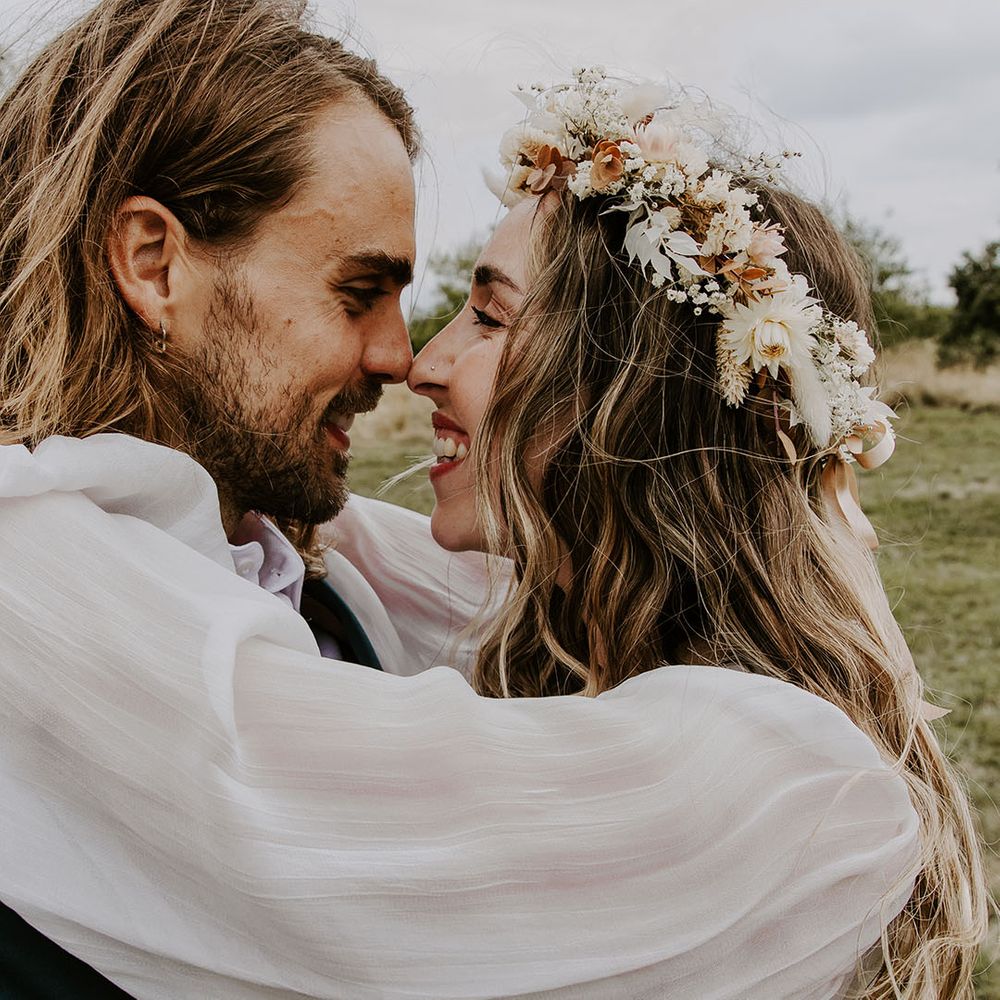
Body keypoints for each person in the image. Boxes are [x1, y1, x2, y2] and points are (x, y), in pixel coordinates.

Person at [0, 0, 982, 997]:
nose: (403, 357)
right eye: (357, 291)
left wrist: (781, 496)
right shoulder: (30, 586)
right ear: (153, 264)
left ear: (616, 394)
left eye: (480, 312)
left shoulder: (336, 566)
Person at [340, 70, 991, 997]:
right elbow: (337, 539)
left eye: (488, 316)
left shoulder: (723, 768)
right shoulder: (581, 633)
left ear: (630, 394)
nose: (425, 363)